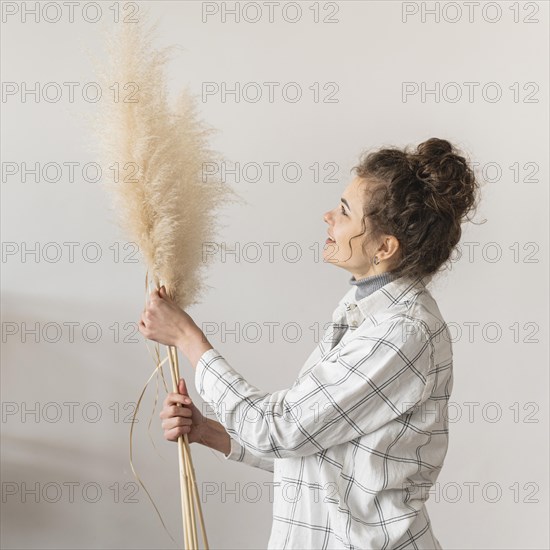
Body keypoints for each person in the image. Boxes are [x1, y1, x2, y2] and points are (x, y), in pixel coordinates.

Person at [139, 137, 481, 549]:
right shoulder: (363, 313)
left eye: (344, 211)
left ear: (384, 247)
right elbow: (313, 449)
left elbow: (280, 429)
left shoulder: (401, 332)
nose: (328, 217)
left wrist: (188, 340)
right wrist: (210, 432)